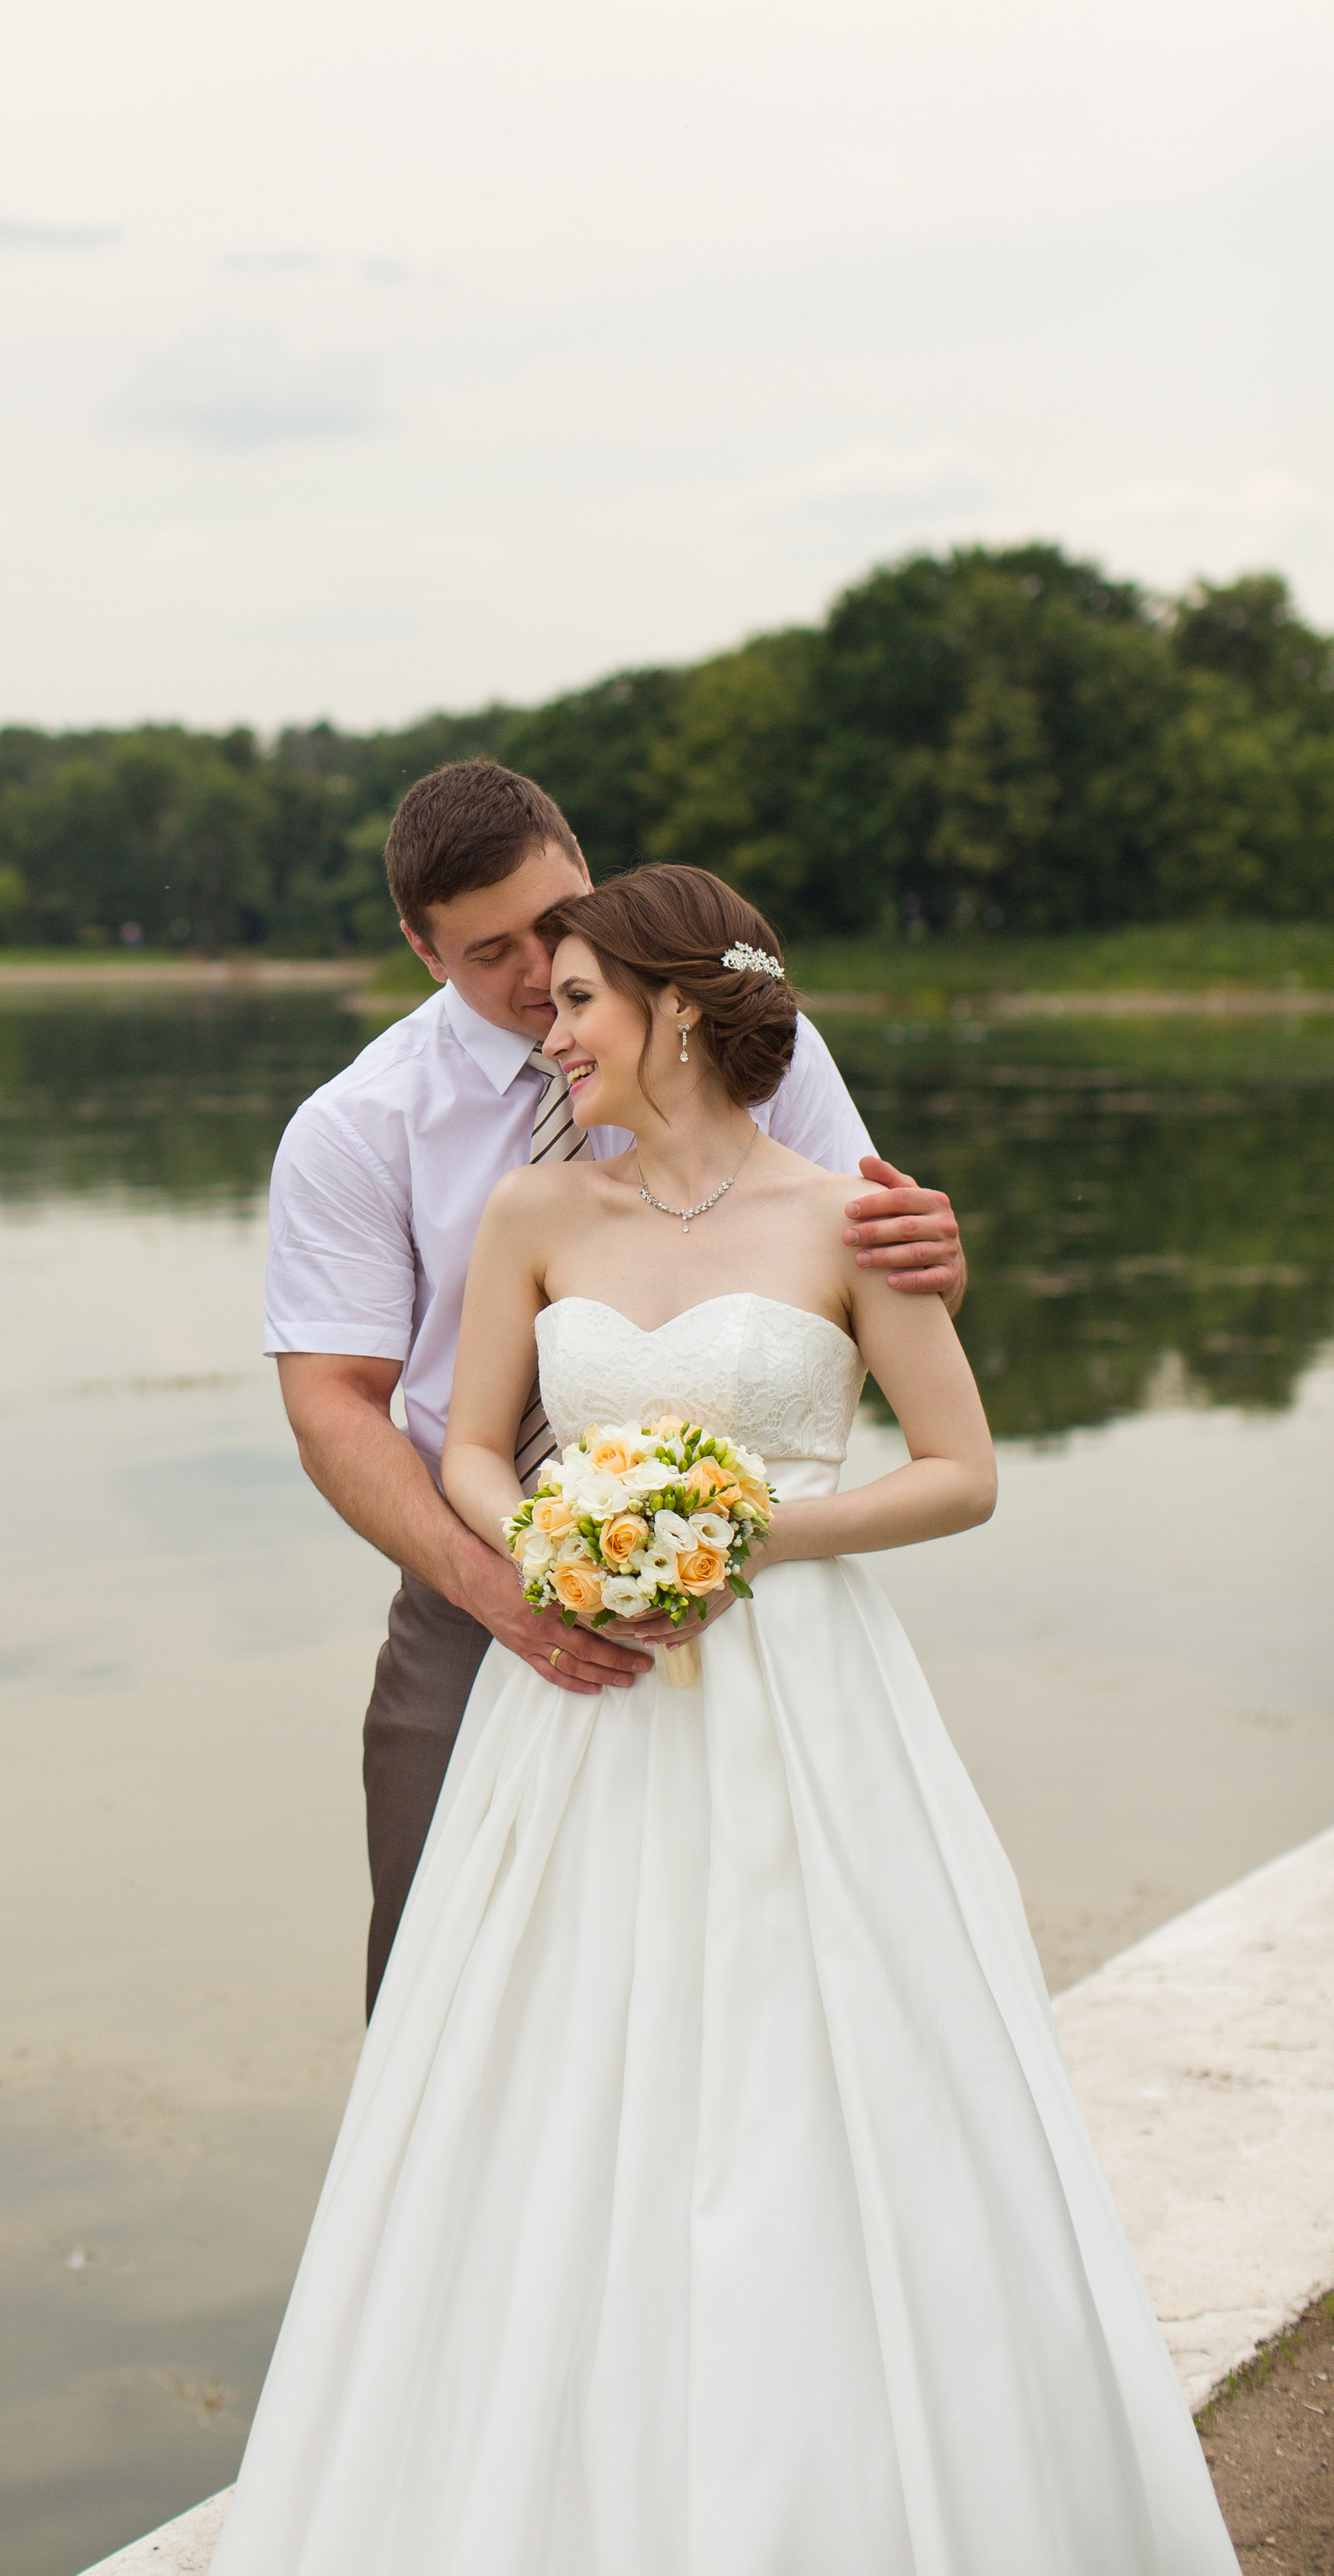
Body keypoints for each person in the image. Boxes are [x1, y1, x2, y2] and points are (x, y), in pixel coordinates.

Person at [215, 862, 1237, 2576]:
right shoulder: (524, 1214)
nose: (552, 1030)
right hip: (573, 1683)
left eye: (579, 1001)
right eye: (526, 993)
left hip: (802, 1695)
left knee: (815, 2064)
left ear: (678, 1011)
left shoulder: (846, 1211)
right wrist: (557, 1546)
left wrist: (740, 1534)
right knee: (521, 2063)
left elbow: (960, 1471)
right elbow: (454, 1438)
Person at [263, 760, 965, 2011]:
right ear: (423, 953)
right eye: (492, 953)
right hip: (470, 1574)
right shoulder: (356, 1126)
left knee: (794, 1995)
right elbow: (332, 1403)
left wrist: (932, 1266)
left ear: (585, 864)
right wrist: (506, 1584)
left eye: (558, 921)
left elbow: (859, 1298)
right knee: (448, 1989)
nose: (541, 974)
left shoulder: (761, 1047)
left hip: (764, 1609)